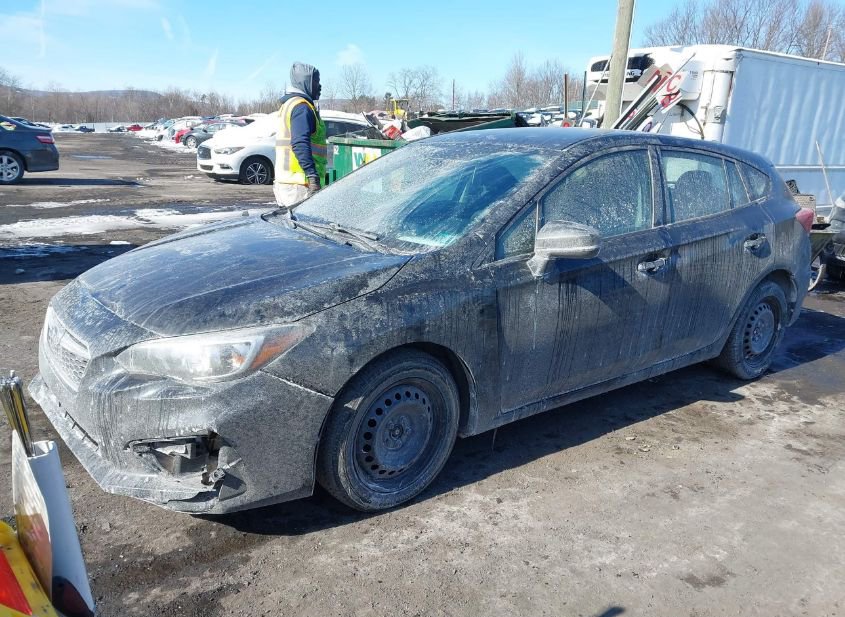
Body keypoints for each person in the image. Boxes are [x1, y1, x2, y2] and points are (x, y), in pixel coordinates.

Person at [274, 62, 327, 208]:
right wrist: (312, 176)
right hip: (300, 184)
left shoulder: (290, 104)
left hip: (288, 182)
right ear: (306, 82)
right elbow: (299, 143)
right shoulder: (302, 108)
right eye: (316, 81)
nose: (319, 86)